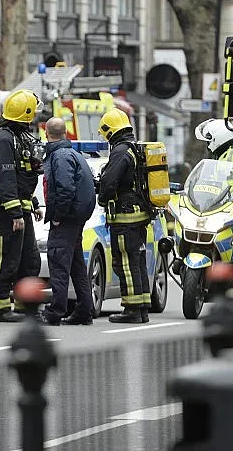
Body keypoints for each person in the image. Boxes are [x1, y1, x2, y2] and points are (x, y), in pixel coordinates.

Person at [0, 89, 45, 323]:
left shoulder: (19, 138)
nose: (36, 119)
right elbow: (6, 178)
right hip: (5, 210)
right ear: (25, 115)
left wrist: (33, 203)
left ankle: (24, 305)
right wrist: (15, 212)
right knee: (5, 257)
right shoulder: (2, 140)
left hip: (21, 208)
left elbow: (23, 176)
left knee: (29, 259)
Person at [38, 117, 97, 326]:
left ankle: (56, 311)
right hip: (77, 219)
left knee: (58, 262)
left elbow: (64, 189)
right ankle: (84, 310)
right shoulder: (73, 153)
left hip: (66, 219)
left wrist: (58, 217)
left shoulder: (60, 156)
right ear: (65, 134)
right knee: (76, 265)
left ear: (46, 133)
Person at [97, 108, 152, 324]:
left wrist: (102, 197)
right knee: (137, 261)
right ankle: (142, 307)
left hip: (124, 217)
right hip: (138, 215)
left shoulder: (120, 151)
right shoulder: (134, 149)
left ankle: (132, 309)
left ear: (110, 132)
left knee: (125, 263)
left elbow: (110, 183)